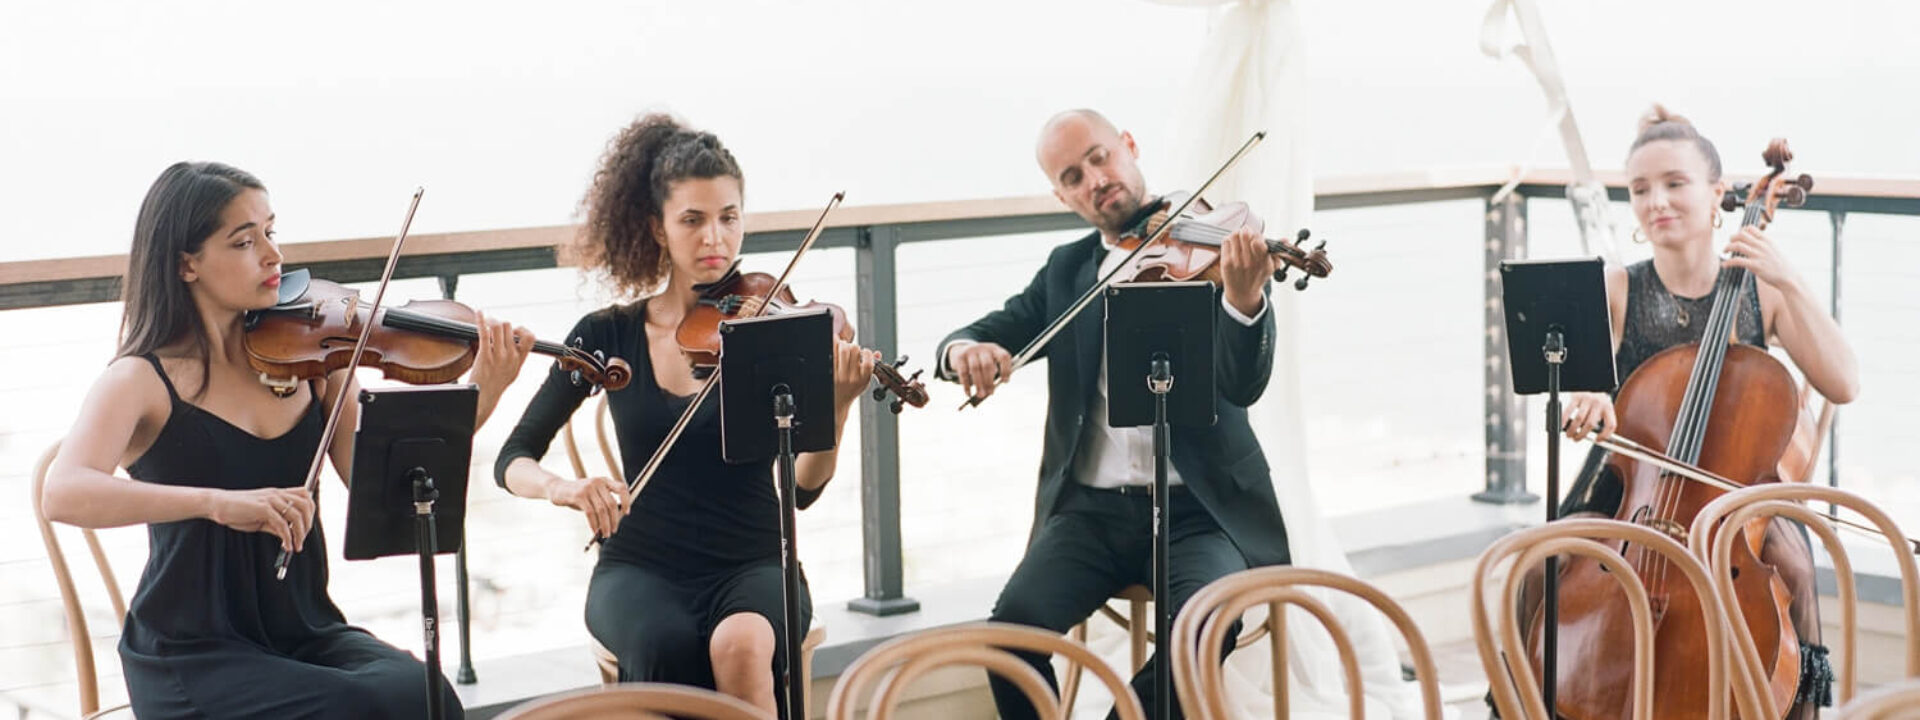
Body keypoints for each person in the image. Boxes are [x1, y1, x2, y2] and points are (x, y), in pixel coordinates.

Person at [41, 161, 533, 719]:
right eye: (244, 241)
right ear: (187, 264)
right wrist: (218, 504)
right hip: (191, 651)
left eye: (270, 232)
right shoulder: (140, 379)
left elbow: (390, 478)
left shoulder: (315, 365)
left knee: (426, 694)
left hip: (305, 630)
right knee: (356, 706)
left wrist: (484, 392)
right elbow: (64, 492)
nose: (273, 255)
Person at [493, 113, 874, 717]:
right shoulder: (606, 334)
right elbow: (513, 458)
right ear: (658, 228)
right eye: (692, 221)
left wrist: (841, 403)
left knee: (743, 644)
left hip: (753, 556)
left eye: (729, 217)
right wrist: (566, 488)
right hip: (640, 565)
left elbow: (801, 492)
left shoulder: (772, 328)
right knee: (664, 644)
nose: (715, 239)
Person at [938, 108, 1291, 720]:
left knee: (1201, 632)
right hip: (1091, 514)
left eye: (1100, 157)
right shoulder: (1067, 270)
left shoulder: (1206, 245)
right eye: (1074, 176)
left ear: (1128, 145)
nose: (1095, 179)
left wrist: (1243, 297)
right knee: (1008, 639)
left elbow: (1245, 382)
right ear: (1062, 194)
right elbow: (980, 332)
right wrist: (965, 351)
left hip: (1199, 512)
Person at [1534, 104, 1858, 718]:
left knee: (1792, 566)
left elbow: (1844, 382)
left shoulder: (1760, 291)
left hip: (1733, 496)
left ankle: (1791, 709)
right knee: (1541, 564)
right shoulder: (1617, 288)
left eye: (1674, 184)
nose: (1656, 201)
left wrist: (1788, 278)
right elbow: (1584, 383)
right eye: (1639, 189)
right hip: (1635, 487)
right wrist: (1591, 391)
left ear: (1717, 195)